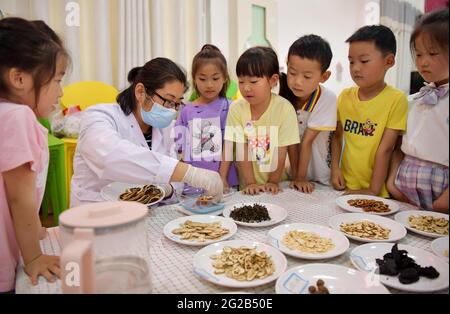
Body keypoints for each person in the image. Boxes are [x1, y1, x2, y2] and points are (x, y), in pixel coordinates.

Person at [70, 57, 223, 207]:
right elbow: (111, 157)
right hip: (96, 215)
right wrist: (191, 174)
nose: (172, 110)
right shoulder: (99, 116)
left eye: (177, 103)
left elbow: (175, 182)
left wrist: (167, 189)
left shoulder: (166, 127)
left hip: (143, 217)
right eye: (169, 101)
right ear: (141, 92)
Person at [0, 18, 68, 291]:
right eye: (57, 80)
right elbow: (20, 199)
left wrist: (37, 229)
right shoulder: (18, 117)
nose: (61, 92)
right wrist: (35, 257)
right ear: (18, 78)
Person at [331, 25, 408, 198]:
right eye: (351, 61)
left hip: (377, 191)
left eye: (364, 61)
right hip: (345, 185)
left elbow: (387, 149)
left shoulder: (396, 99)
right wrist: (335, 169)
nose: (356, 68)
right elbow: (336, 136)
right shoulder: (345, 96)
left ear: (388, 61)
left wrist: (372, 190)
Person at [387, 9, 449, 213]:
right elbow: (398, 146)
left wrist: (443, 202)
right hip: (403, 191)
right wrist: (392, 184)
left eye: (432, 53)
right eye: (419, 53)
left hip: (441, 196)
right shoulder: (412, 100)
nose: (422, 61)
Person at [224, 46, 300, 195]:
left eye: (253, 82)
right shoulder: (237, 108)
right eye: (241, 81)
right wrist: (251, 183)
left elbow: (281, 149)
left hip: (278, 185)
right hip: (247, 186)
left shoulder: (284, 109)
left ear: (272, 80)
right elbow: (241, 148)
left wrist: (273, 181)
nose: (246, 88)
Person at [174, 45, 238, 195]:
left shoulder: (231, 107)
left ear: (225, 78)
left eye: (215, 78)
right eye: (202, 79)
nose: (209, 85)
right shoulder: (187, 110)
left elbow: (229, 146)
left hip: (225, 179)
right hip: (193, 183)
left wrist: (222, 178)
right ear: (195, 79)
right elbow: (180, 149)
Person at [279, 34, 337, 194]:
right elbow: (289, 141)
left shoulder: (327, 99)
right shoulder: (282, 96)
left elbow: (306, 142)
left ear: (324, 77)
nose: (297, 81)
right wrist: (296, 176)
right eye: (292, 73)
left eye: (307, 76)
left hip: (320, 176)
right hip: (294, 175)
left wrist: (301, 177)